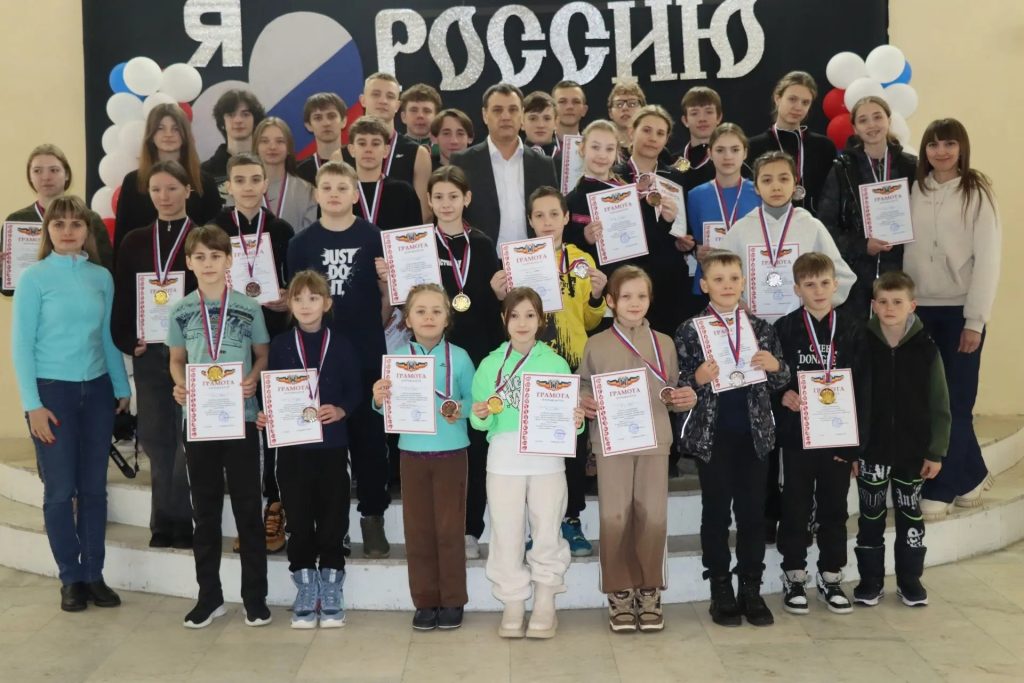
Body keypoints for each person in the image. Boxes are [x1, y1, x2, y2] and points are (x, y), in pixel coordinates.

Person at [12, 195, 131, 612]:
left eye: (75, 224)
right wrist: (33, 404)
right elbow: (21, 346)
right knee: (61, 491)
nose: (67, 231)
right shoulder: (34, 278)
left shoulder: (101, 277)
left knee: (94, 489)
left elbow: (107, 338)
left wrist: (121, 387)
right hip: (52, 395)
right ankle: (70, 577)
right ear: (48, 231)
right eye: (59, 224)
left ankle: (94, 574)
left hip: (97, 392)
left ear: (87, 230)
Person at [579, 265, 697, 632]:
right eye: (626, 296)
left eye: (642, 296)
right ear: (611, 301)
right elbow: (583, 386)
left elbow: (673, 389)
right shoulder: (595, 344)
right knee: (615, 516)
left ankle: (649, 590)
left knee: (652, 515)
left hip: (654, 440)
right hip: (611, 443)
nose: (634, 303)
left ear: (650, 300)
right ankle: (619, 592)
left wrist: (682, 397)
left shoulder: (664, 343)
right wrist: (584, 399)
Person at [676, 249, 790, 627]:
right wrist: (697, 379)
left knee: (753, 515)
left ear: (744, 283)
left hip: (755, 437)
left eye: (734, 279)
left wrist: (776, 366)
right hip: (714, 438)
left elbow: (781, 379)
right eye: (718, 279)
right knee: (716, 514)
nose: (727, 285)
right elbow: (678, 383)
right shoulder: (690, 330)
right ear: (704, 284)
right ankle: (721, 588)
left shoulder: (761, 329)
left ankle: (751, 588)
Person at [491, 186, 607, 557]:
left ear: (566, 218)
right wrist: (499, 295)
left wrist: (596, 297)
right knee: (534, 446)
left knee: (571, 445)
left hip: (570, 364)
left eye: (554, 214)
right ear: (529, 220)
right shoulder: (516, 261)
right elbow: (510, 317)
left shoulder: (581, 259)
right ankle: (538, 525)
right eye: (539, 215)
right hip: (530, 365)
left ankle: (571, 519)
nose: (547, 222)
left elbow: (590, 320)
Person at [287, 160, 393, 558]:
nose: (333, 194)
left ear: (355, 194)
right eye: (327, 187)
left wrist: (388, 283)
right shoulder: (300, 244)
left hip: (365, 352)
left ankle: (372, 516)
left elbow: (389, 299)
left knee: (370, 440)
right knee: (324, 448)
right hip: (317, 357)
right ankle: (330, 525)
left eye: (342, 187)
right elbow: (296, 301)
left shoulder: (374, 238)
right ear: (316, 194)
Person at [167, 225, 271, 628]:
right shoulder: (180, 310)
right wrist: (180, 385)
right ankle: (209, 597)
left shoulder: (249, 307)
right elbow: (176, 360)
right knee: (205, 512)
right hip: (199, 422)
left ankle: (255, 598)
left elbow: (262, 354)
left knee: (248, 509)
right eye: (200, 257)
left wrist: (254, 378)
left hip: (241, 418)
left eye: (215, 256)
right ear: (189, 262)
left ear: (229, 260)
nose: (208, 263)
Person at [470, 288, 585, 639]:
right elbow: (480, 421)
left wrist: (577, 420)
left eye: (530, 315)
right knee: (506, 534)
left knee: (547, 530)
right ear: (504, 320)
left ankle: (546, 600)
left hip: (547, 461)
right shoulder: (489, 364)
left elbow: (571, 421)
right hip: (504, 460)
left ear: (541, 320)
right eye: (515, 315)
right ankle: (513, 602)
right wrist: (480, 414)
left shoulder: (556, 363)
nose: (522, 323)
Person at [904, 119, 1000, 516]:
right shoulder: (911, 189)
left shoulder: (976, 191)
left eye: (949, 144)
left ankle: (941, 488)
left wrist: (975, 320)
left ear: (961, 148)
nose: (941, 152)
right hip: (917, 310)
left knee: (956, 400)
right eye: (933, 144)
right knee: (928, 399)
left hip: (960, 311)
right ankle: (972, 474)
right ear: (924, 150)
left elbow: (989, 260)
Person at [257, 270, 360, 628]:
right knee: (299, 519)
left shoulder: (342, 344)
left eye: (313, 298)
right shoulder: (280, 345)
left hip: (332, 445)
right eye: (298, 298)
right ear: (289, 303)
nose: (305, 305)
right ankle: (304, 584)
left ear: (326, 303)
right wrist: (265, 414)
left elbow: (355, 389)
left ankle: (331, 586)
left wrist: (342, 409)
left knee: (333, 518)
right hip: (292, 448)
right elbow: (268, 392)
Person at [410, 165, 503, 558]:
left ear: (467, 198)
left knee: (475, 443)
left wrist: (500, 293)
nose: (446, 204)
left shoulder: (482, 245)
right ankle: (434, 526)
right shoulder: (415, 245)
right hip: (433, 353)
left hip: (476, 356)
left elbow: (493, 308)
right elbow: (409, 301)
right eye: (438, 197)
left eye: (453, 196)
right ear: (429, 201)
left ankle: (469, 529)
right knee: (433, 440)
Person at [372, 284, 475, 631]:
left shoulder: (460, 357)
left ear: (447, 318)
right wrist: (378, 398)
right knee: (417, 531)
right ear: (408, 320)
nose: (428, 317)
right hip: (412, 454)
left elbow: (476, 404)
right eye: (420, 311)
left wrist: (459, 409)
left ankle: (453, 600)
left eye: (436, 311)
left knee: (449, 530)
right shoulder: (396, 359)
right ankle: (425, 601)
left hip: (452, 453)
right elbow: (383, 409)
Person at [773, 252, 869, 616]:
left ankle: (831, 574)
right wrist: (783, 395)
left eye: (824, 283)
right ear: (797, 288)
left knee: (835, 508)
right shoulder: (784, 328)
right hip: (797, 437)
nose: (818, 290)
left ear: (836, 285)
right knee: (794, 506)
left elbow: (864, 388)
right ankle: (794, 574)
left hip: (838, 438)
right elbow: (773, 378)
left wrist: (857, 447)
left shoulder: (854, 329)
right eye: (809, 284)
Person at [111, 160, 197, 549]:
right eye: (157, 189)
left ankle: (184, 519)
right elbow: (123, 296)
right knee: (156, 437)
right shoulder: (134, 241)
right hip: (149, 353)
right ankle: (163, 522)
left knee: (186, 438)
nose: (164, 197)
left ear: (188, 191)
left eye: (172, 188)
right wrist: (127, 339)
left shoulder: (203, 238)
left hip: (192, 353)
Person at [213, 152, 295, 553]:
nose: (247, 187)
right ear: (228, 186)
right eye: (239, 180)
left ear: (266, 184)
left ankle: (275, 507)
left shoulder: (281, 229)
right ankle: (246, 515)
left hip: (273, 336)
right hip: (228, 340)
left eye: (255, 179)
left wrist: (287, 297)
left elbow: (294, 282)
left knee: (271, 421)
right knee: (239, 427)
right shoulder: (214, 229)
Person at [856, 271, 950, 607]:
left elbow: (940, 403)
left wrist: (935, 451)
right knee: (870, 518)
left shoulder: (927, 349)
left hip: (913, 452)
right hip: (872, 451)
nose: (889, 308)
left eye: (897, 301)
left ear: (912, 305)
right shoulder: (862, 345)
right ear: (873, 305)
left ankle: (910, 581)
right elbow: (851, 398)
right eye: (883, 301)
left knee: (911, 517)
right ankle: (870, 581)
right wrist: (853, 450)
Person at [566, 119, 684, 336]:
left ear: (617, 153)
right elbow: (565, 250)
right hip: (597, 297)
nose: (602, 155)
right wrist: (584, 238)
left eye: (609, 148)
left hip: (633, 294)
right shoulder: (571, 201)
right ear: (582, 149)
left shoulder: (630, 194)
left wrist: (666, 220)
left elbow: (651, 242)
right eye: (595, 147)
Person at [719, 151, 856, 323]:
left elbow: (842, 277)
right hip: (752, 325)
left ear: (794, 184)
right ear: (756, 187)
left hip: (802, 327)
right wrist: (735, 303)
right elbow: (718, 275)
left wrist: (817, 306)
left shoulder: (811, 226)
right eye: (767, 180)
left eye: (784, 179)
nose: (776, 187)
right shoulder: (741, 229)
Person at [818, 96, 917, 319]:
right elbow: (825, 227)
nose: (871, 125)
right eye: (863, 120)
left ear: (889, 120)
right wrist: (862, 245)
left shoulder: (911, 167)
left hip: (900, 276)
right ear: (855, 128)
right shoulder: (842, 169)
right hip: (856, 279)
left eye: (877, 117)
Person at [614, 105, 700, 327]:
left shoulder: (676, 178)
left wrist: (686, 242)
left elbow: (683, 228)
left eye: (660, 133)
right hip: (628, 277)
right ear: (631, 132)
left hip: (668, 278)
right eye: (646, 130)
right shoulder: (614, 177)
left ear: (666, 140)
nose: (653, 138)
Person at [451, 83, 557, 249]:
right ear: (485, 115)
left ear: (522, 114)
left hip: (534, 257)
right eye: (497, 110)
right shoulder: (463, 162)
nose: (506, 116)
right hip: (482, 257)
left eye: (513, 110)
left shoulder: (543, 164)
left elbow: (554, 215)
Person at [113, 103, 222, 259]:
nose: (168, 134)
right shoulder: (133, 182)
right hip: (145, 268)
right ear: (151, 135)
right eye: (160, 128)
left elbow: (216, 237)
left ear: (185, 134)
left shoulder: (204, 182)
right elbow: (121, 238)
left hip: (195, 268)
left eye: (175, 128)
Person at [3, 144, 112, 290]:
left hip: (80, 297)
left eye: (54, 170)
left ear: (66, 174)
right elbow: (7, 289)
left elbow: (107, 272)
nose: (46, 177)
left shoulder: (91, 219)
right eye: (37, 171)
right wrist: (3, 272)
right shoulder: (16, 221)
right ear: (30, 176)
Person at [688, 123, 760, 301]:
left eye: (735, 150)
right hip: (710, 284)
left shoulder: (759, 193)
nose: (728, 156)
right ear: (710, 153)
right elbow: (694, 240)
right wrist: (697, 251)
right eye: (720, 150)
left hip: (751, 283)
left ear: (745, 153)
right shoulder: (695, 196)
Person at [748, 72, 837, 216]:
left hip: (815, 225)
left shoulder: (824, 147)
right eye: (792, 99)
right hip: (768, 225)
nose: (798, 107)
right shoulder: (753, 147)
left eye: (805, 102)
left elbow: (833, 196)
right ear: (777, 98)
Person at [353, 72, 432, 219]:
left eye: (390, 96)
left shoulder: (418, 153)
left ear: (397, 105)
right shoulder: (342, 154)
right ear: (362, 100)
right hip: (355, 234)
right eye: (376, 94)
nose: (383, 101)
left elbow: (424, 214)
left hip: (402, 233)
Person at [347, 116, 422, 230]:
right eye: (362, 143)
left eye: (375, 144)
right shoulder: (342, 191)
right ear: (351, 150)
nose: (368, 150)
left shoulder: (403, 192)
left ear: (386, 151)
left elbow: (415, 236)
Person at [252, 117, 318, 233]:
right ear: (256, 147)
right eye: (265, 141)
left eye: (280, 141)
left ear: (289, 148)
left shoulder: (307, 191)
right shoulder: (242, 189)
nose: (272, 147)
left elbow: (310, 236)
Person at [201, 88, 266, 195]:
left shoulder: (269, 163)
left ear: (255, 120)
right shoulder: (205, 172)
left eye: (245, 114)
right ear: (222, 122)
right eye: (231, 115)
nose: (238, 120)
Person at [671, 86, 724, 191]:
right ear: (685, 120)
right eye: (694, 113)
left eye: (709, 112)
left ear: (719, 117)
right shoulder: (673, 161)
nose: (702, 119)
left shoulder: (729, 160)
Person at [295, 92, 348, 186]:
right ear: (308, 125)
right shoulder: (301, 172)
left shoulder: (358, 162)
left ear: (344, 121)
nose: (326, 123)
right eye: (318, 118)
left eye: (331, 116)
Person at [606, 81, 645, 160]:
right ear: (610, 113)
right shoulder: (602, 149)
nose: (625, 108)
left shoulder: (652, 147)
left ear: (643, 110)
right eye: (619, 104)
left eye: (632, 104)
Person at [522, 91, 558, 156]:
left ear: (556, 123)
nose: (540, 125)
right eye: (533, 119)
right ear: (522, 123)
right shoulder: (511, 157)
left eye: (547, 118)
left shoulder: (570, 158)